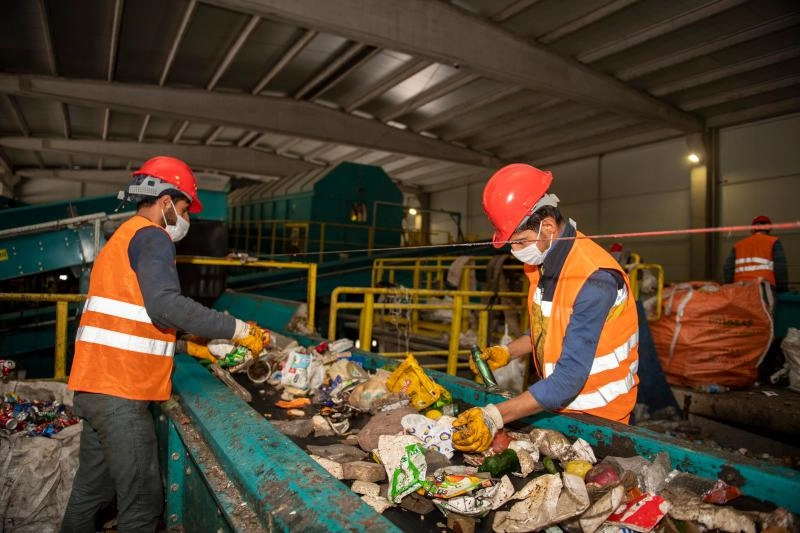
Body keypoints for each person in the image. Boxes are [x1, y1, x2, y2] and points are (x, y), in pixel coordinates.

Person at [61, 156, 268, 532]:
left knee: (91, 494)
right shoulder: (152, 236)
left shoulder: (122, 236)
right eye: (184, 207)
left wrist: (190, 347)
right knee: (142, 504)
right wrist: (235, 328)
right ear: (165, 200)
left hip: (94, 386)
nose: (185, 218)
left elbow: (133, 321)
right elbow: (166, 305)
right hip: (119, 394)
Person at [454, 163, 639, 453]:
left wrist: (494, 416)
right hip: (559, 408)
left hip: (601, 421)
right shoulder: (547, 261)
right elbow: (552, 329)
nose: (515, 250)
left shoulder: (595, 280)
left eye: (520, 241)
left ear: (548, 227)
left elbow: (567, 379)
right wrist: (508, 352)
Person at [724, 215, 788, 293]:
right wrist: (782, 289)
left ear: (752, 229)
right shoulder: (773, 241)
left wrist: (731, 286)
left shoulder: (738, 245)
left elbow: (727, 268)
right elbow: (780, 268)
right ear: (769, 228)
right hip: (763, 288)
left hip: (740, 288)